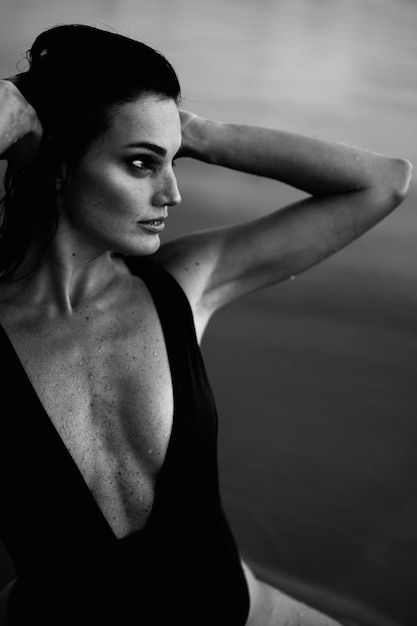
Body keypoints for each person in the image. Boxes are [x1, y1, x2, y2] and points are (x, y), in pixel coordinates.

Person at [0, 23, 412, 626]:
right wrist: (13, 107)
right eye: (141, 164)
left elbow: (384, 182)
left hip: (243, 611)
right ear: (59, 162)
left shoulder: (181, 285)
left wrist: (194, 133)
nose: (173, 192)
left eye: (175, 162)